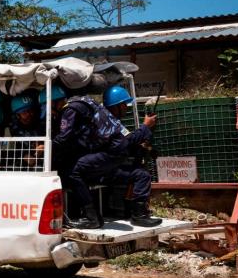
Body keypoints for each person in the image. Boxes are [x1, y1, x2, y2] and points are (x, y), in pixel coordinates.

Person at [57, 86, 161, 229]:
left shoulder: (112, 122)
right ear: (115, 106)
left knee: (141, 175)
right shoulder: (102, 122)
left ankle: (140, 215)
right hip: (96, 167)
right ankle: (91, 216)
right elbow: (126, 142)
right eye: (124, 105)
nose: (126, 108)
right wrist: (145, 127)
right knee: (74, 172)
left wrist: (146, 135)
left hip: (106, 168)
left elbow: (127, 140)